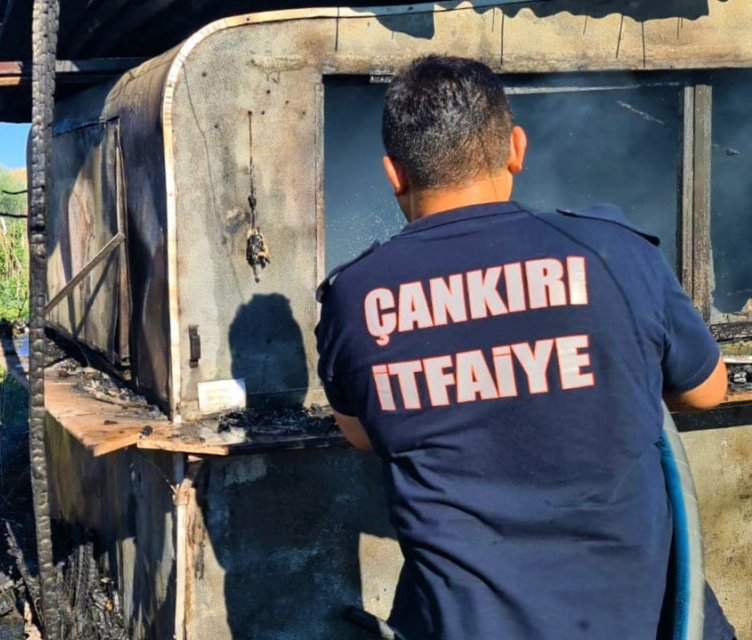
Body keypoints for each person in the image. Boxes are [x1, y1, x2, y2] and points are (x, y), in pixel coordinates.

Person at [314, 55, 735, 639]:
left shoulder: (356, 293)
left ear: (394, 173)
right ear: (515, 147)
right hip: (651, 620)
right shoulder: (613, 253)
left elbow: (361, 430)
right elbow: (708, 389)